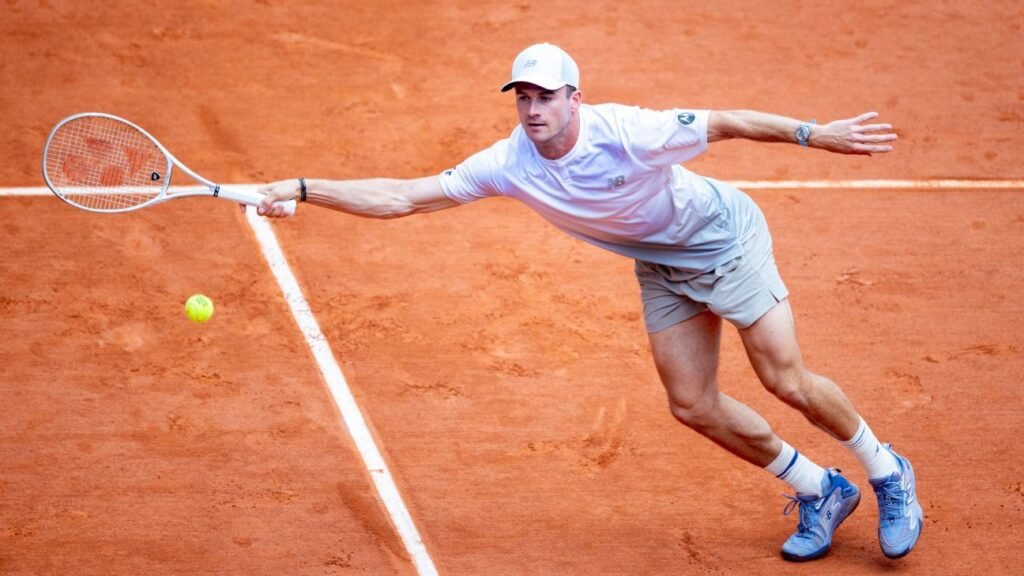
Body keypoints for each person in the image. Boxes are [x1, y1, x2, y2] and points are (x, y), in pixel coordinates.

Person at [257, 43, 923, 562]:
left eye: (545, 96)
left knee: (784, 379)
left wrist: (813, 134)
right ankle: (820, 489)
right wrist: (304, 187)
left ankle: (886, 470)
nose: (532, 109)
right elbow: (404, 196)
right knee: (691, 403)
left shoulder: (628, 130)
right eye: (522, 96)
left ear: (576, 98)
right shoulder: (509, 161)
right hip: (663, 267)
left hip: (725, 242)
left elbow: (726, 122)